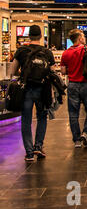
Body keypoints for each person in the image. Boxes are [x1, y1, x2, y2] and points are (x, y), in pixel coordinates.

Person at [9, 25, 55, 161]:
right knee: (42, 117)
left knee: (26, 120)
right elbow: (52, 73)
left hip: (26, 89)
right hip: (43, 89)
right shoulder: (47, 52)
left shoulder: (21, 51)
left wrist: (24, 73)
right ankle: (38, 146)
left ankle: (29, 152)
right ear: (41, 36)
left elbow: (12, 71)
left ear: (29, 36)